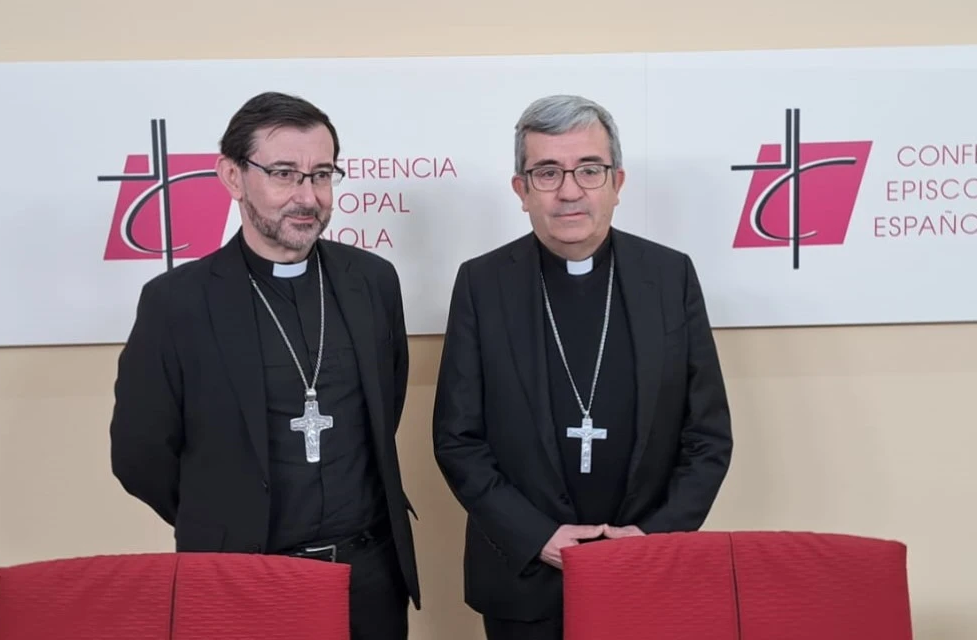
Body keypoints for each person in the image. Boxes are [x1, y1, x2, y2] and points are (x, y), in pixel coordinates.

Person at [110, 91, 419, 640]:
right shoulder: (177, 303)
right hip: (244, 579)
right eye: (284, 173)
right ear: (233, 176)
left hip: (369, 577)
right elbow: (140, 456)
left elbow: (385, 405)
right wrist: (222, 519)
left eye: (321, 174)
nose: (308, 196)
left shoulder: (373, 282)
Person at [432, 94, 733, 640]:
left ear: (617, 182)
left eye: (588, 170)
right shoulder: (482, 284)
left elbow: (708, 436)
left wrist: (652, 537)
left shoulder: (669, 278)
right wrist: (537, 536)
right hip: (522, 576)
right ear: (520, 191)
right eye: (546, 172)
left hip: (645, 572)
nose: (569, 190)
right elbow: (458, 440)